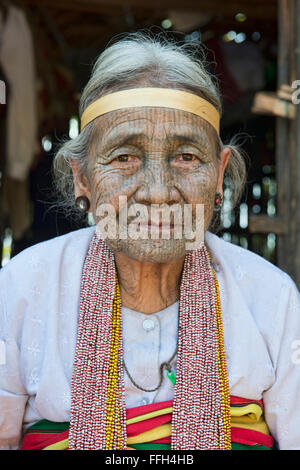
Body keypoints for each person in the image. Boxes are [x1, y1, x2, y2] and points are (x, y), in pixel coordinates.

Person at [0, 32, 299, 451]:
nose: (157, 191)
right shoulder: (19, 291)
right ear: (82, 177)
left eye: (186, 157)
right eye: (124, 158)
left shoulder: (271, 298)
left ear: (218, 173)